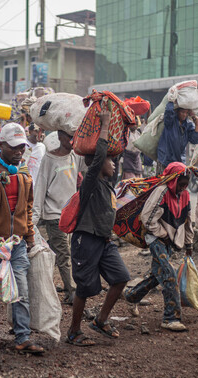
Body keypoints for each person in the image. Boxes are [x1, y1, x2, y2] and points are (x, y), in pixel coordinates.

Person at [0, 122, 45, 354]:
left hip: (18, 244)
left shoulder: (23, 171)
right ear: (1, 145)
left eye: (22, 147)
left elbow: (28, 207)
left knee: (21, 291)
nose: (19, 151)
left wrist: (30, 235)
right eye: (14, 147)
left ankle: (22, 336)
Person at [66, 110, 131, 346]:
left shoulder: (107, 185)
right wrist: (104, 123)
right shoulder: (90, 181)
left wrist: (124, 127)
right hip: (86, 239)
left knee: (121, 277)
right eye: (109, 160)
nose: (113, 163)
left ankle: (101, 320)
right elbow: (101, 151)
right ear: (96, 163)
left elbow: (115, 152)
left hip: (104, 241)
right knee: (84, 287)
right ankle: (73, 332)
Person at [124, 162, 194, 332]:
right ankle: (171, 318)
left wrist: (189, 243)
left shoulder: (185, 195)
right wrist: (162, 234)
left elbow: (188, 221)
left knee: (158, 275)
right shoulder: (161, 192)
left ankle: (132, 296)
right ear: (173, 181)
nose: (183, 188)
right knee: (169, 275)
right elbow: (147, 218)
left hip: (170, 240)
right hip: (156, 238)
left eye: (186, 185)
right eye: (181, 184)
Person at [33, 129, 80, 305]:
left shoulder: (75, 157)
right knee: (64, 254)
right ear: (60, 137)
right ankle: (72, 290)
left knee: (62, 253)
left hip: (71, 214)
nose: (71, 140)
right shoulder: (49, 159)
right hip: (55, 216)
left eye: (74, 137)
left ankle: (50, 285)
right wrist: (34, 220)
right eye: (68, 137)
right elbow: (40, 188)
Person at [156, 102, 198, 173]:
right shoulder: (170, 121)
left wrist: (197, 124)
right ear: (177, 112)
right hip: (165, 158)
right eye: (182, 112)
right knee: (163, 182)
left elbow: (195, 140)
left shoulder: (188, 125)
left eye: (186, 113)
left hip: (179, 160)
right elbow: (169, 111)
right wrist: (172, 100)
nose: (184, 115)